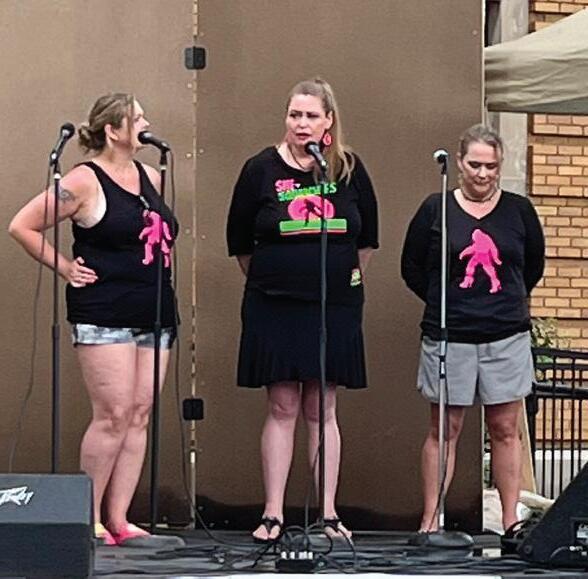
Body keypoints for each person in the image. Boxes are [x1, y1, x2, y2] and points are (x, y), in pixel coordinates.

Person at [9, 93, 178, 547]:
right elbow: (22, 225)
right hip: (105, 309)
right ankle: (89, 518)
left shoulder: (152, 177)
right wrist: (66, 267)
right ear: (113, 130)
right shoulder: (83, 181)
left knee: (139, 413)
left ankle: (120, 518)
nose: (145, 123)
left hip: (153, 308)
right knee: (113, 413)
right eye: (136, 118)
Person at [226, 78, 379, 542]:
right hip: (275, 305)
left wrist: (338, 279)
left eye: (311, 115)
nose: (302, 123)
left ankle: (328, 514)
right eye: (295, 114)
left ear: (329, 120)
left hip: (333, 307)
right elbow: (240, 242)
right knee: (283, 404)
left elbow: (366, 240)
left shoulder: (348, 169)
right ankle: (273, 513)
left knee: (322, 406)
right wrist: (279, 278)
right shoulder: (260, 169)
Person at [401, 124, 545, 533]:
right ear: (460, 163)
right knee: (445, 429)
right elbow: (412, 267)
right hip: (450, 335)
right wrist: (444, 302)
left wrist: (503, 302)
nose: (483, 174)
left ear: (500, 167)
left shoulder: (519, 210)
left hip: (505, 334)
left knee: (505, 428)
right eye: (475, 164)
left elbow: (532, 266)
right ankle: (431, 521)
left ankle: (510, 521)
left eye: (491, 166)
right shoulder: (436, 208)